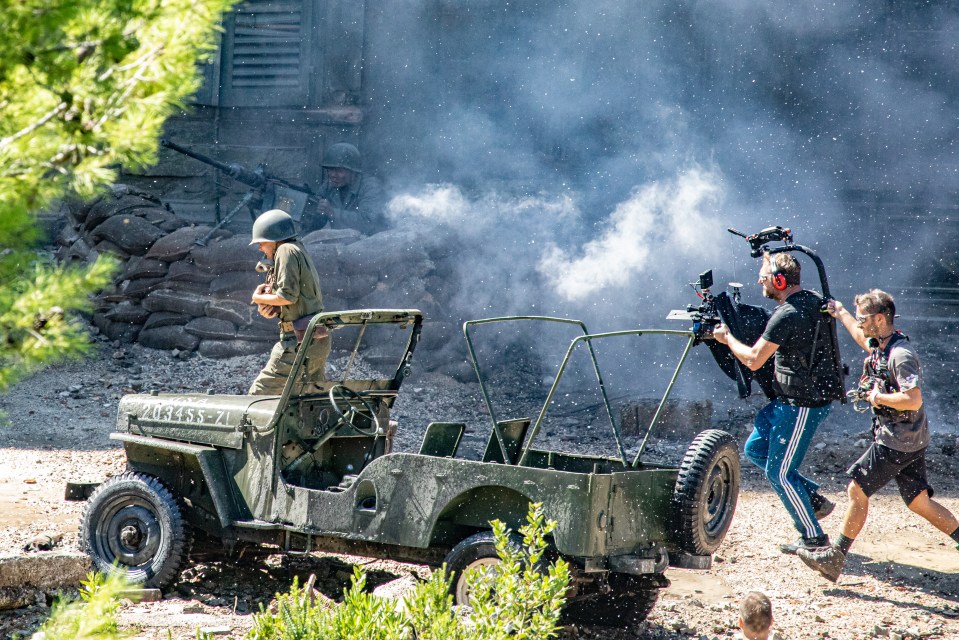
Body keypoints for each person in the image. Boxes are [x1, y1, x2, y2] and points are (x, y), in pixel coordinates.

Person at [797, 290, 959, 583]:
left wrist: (877, 397)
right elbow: (864, 341)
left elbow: (913, 400)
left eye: (863, 319)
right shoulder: (882, 344)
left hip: (895, 440)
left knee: (856, 492)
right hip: (912, 438)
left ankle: (835, 557)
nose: (859, 324)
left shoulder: (901, 355)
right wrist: (841, 312)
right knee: (919, 502)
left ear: (880, 318)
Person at [713, 252, 840, 555]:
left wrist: (727, 338)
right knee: (755, 449)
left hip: (801, 404)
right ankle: (812, 499)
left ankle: (814, 539)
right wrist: (769, 255)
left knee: (779, 473)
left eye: (765, 276)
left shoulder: (787, 315)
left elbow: (755, 360)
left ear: (780, 281)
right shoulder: (809, 298)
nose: (759, 281)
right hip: (790, 399)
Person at [248, 209, 330, 395]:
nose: (260, 248)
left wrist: (257, 297)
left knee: (257, 396)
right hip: (316, 338)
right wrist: (273, 308)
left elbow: (286, 296)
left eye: (261, 243)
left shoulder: (285, 251)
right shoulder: (297, 248)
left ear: (273, 239)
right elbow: (296, 300)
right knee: (308, 401)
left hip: (298, 341)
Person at [300, 142, 386, 235]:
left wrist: (332, 212)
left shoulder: (371, 187)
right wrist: (307, 206)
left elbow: (367, 223)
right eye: (330, 170)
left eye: (339, 171)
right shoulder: (329, 185)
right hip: (344, 240)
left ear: (354, 172)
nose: (333, 175)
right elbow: (314, 223)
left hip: (372, 241)